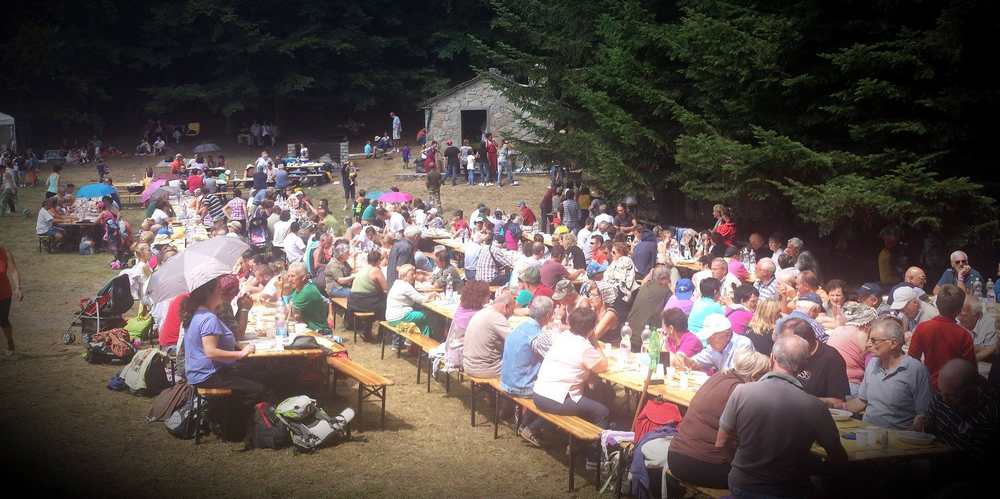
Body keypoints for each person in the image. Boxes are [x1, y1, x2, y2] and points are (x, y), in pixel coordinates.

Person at [717, 335, 847, 498]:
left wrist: (740, 466)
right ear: (804, 366)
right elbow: (838, 456)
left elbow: (721, 442)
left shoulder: (742, 391)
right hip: (787, 490)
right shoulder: (815, 406)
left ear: (772, 358)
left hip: (742, 484)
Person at [666, 349, 771, 489]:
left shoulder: (718, 376)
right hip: (704, 464)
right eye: (766, 377)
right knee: (765, 480)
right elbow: (748, 438)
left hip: (675, 456)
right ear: (755, 376)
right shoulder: (742, 391)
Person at [532, 307, 611, 469]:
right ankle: (593, 457)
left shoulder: (563, 336)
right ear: (591, 328)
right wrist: (594, 341)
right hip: (556, 399)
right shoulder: (584, 347)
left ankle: (576, 444)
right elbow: (603, 365)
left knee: (594, 395)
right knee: (602, 411)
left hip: (539, 393)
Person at [182, 276, 266, 406]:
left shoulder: (199, 313)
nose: (221, 292)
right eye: (218, 288)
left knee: (256, 371)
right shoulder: (208, 318)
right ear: (209, 293)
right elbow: (211, 352)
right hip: (208, 375)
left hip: (199, 373)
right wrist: (240, 354)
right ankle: (233, 417)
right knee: (258, 389)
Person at [838, 318, 931, 429]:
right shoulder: (873, 364)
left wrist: (912, 431)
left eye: (874, 341)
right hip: (867, 431)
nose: (868, 344)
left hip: (898, 435)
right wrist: (836, 407)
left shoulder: (915, 370)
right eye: (869, 339)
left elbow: (923, 414)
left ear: (893, 343)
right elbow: (862, 401)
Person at [916, 359, 1000, 461]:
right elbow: (930, 432)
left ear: (971, 392)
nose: (944, 399)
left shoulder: (989, 413)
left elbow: (976, 458)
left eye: (950, 395)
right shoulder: (941, 396)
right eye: (941, 392)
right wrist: (923, 426)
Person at [500, 296, 556, 445]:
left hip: (506, 381)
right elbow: (556, 357)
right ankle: (531, 427)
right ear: (548, 315)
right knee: (558, 395)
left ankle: (525, 423)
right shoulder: (537, 336)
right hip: (521, 386)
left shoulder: (519, 327)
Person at [908, 284, 976, 389]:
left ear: (937, 304)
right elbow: (971, 370)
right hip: (955, 389)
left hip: (929, 386)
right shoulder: (964, 335)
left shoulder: (922, 328)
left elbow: (912, 361)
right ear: (959, 310)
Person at [779, 318, 850, 407]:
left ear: (805, 341)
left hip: (814, 411)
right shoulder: (785, 353)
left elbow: (838, 401)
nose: (783, 345)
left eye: (787, 341)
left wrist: (803, 400)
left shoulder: (831, 358)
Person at [672, 314, 754, 373]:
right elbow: (694, 363)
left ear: (728, 334)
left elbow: (737, 374)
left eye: (711, 337)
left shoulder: (743, 344)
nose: (708, 341)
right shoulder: (712, 348)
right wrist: (684, 358)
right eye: (707, 337)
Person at [826, 302, 878, 395]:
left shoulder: (838, 329)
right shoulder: (863, 334)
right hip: (850, 384)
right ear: (867, 324)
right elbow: (871, 365)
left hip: (828, 381)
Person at [463, 290, 515, 378]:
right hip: (485, 369)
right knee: (522, 366)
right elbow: (515, 341)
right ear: (506, 307)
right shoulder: (497, 318)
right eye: (512, 311)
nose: (512, 314)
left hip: (468, 364)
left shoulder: (483, 311)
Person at [442, 281, 492, 371]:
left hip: (453, 349)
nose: (490, 294)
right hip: (465, 356)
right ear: (480, 296)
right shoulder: (479, 315)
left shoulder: (461, 308)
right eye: (487, 293)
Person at [385, 264, 437, 347]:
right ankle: (427, 345)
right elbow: (422, 300)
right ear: (405, 275)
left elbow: (416, 297)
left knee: (424, 324)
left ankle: (417, 347)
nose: (414, 276)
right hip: (400, 317)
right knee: (428, 315)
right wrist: (432, 294)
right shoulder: (406, 286)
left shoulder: (397, 283)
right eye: (412, 274)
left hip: (390, 317)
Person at [348, 250, 390, 333]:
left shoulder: (363, 269)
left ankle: (367, 329)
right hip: (363, 302)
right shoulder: (376, 270)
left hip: (352, 301)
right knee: (385, 306)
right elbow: (385, 289)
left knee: (377, 303)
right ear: (378, 261)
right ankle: (382, 333)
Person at [284, 262, 331, 334]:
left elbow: (287, 314)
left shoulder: (307, 292)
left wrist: (279, 290)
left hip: (317, 332)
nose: (289, 280)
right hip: (306, 329)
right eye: (288, 276)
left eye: (293, 276)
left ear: (303, 277)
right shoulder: (298, 288)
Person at [625, 266, 673, 335]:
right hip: (647, 336)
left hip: (629, 332)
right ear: (663, 278)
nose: (670, 281)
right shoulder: (666, 292)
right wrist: (672, 288)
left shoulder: (645, 286)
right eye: (669, 279)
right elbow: (673, 308)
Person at [0, 246, 23, 356]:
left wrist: (18, 288)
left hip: (4, 293)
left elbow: (13, 271)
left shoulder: (5, 252)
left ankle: (10, 343)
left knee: (3, 319)